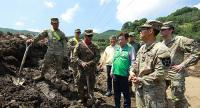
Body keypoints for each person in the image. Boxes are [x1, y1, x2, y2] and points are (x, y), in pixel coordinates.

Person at [129, 20, 171, 108]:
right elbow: (136, 63)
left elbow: (161, 73)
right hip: (140, 90)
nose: (140, 31)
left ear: (150, 31)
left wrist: (140, 79)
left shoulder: (162, 49)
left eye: (142, 29)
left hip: (153, 95)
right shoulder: (142, 48)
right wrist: (132, 71)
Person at [160, 21, 200, 108]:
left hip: (176, 73)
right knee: (160, 95)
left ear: (171, 30)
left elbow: (197, 51)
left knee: (178, 98)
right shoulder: (161, 44)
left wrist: (183, 64)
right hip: (163, 73)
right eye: (160, 30)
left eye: (164, 29)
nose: (161, 31)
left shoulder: (180, 40)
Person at [73, 29, 100, 104]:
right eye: (88, 36)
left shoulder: (95, 46)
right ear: (85, 36)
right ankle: (81, 98)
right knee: (80, 84)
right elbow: (75, 56)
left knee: (91, 84)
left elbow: (98, 56)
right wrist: (81, 62)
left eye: (91, 35)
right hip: (81, 70)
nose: (90, 37)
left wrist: (90, 62)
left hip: (91, 70)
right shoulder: (79, 45)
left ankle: (90, 97)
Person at [111, 33, 135, 108]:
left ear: (126, 40)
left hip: (125, 75)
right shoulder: (117, 48)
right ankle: (117, 106)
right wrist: (111, 70)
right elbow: (113, 60)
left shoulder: (130, 48)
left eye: (122, 39)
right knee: (116, 93)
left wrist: (131, 72)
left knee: (126, 93)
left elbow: (133, 61)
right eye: (119, 39)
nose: (120, 41)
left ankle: (127, 106)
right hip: (115, 74)